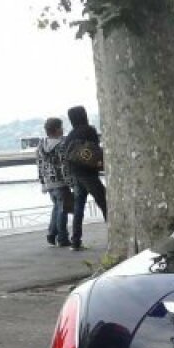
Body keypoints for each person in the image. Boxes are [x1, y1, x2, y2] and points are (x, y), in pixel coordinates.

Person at [62, 105, 107, 250]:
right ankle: (115, 233)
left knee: (79, 207)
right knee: (105, 202)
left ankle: (75, 241)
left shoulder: (70, 136)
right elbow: (95, 149)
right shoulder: (89, 130)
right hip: (89, 173)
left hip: (76, 173)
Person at [35, 117, 73, 248]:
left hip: (48, 183)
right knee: (63, 210)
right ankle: (62, 238)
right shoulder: (61, 145)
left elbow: (39, 165)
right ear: (57, 130)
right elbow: (64, 166)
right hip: (61, 183)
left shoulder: (41, 145)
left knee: (57, 208)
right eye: (61, 127)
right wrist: (70, 183)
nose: (63, 129)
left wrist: (43, 183)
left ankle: (52, 234)